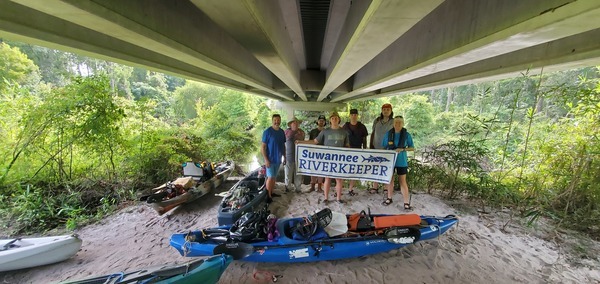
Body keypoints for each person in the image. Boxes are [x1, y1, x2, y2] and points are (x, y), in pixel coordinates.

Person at [298, 111, 349, 203]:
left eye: (336, 118)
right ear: (330, 120)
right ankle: (326, 198)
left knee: (339, 179)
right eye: (332, 118)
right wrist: (301, 142)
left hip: (340, 159)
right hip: (328, 159)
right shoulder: (325, 131)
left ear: (339, 119)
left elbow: (347, 146)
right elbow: (315, 141)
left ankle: (338, 198)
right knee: (327, 178)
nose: (334, 120)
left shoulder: (344, 132)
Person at [381, 116, 414, 209]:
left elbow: (412, 148)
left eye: (400, 122)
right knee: (390, 180)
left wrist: (403, 149)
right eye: (396, 122)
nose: (398, 124)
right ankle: (389, 198)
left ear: (403, 124)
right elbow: (383, 147)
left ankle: (406, 202)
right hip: (390, 161)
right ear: (393, 123)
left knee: (402, 181)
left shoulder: (407, 135)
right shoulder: (388, 134)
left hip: (401, 161)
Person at [369, 103, 394, 194]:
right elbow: (372, 133)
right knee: (375, 168)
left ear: (391, 111)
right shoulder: (377, 120)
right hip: (376, 147)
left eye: (388, 109)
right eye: (384, 109)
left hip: (387, 149)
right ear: (382, 110)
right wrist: (370, 146)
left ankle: (386, 187)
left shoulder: (393, 121)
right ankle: (375, 187)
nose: (386, 111)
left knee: (386, 168)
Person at [342, 108, 368, 196]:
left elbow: (364, 139)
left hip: (357, 150)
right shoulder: (345, 126)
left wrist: (364, 149)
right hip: (347, 151)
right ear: (350, 116)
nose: (353, 116)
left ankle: (350, 189)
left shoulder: (362, 126)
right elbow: (341, 137)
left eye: (355, 115)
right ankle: (340, 190)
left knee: (354, 171)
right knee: (343, 170)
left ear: (357, 116)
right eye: (352, 115)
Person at [261, 114, 286, 202]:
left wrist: (284, 157)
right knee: (270, 177)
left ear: (280, 121)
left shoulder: (282, 132)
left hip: (278, 159)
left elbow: (283, 145)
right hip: (270, 159)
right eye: (275, 120)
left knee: (274, 177)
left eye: (278, 120)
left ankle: (271, 191)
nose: (277, 122)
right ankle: (268, 196)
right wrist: (266, 159)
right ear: (272, 121)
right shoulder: (267, 132)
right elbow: (263, 147)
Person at [284, 117, 305, 193]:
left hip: (300, 157)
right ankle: (287, 187)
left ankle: (298, 188)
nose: (295, 124)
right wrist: (283, 155)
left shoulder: (302, 132)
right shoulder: (285, 132)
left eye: (297, 122)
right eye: (293, 123)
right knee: (288, 173)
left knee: (298, 173)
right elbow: (283, 144)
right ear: (290, 124)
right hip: (288, 156)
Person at [308, 115, 326, 192]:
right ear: (317, 121)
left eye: (323, 120)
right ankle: (312, 186)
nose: (321, 122)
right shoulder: (313, 131)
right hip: (314, 153)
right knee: (313, 169)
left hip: (323, 154)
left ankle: (319, 187)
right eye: (320, 120)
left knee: (321, 170)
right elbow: (310, 142)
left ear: (325, 122)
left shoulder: (327, 131)